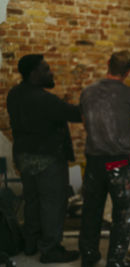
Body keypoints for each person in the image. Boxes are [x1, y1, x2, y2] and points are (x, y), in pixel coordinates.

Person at [6, 54, 81, 263]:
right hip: (48, 160)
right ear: (34, 74)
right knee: (53, 204)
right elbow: (76, 114)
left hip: (24, 158)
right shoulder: (44, 99)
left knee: (33, 202)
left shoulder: (14, 94)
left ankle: (31, 245)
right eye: (46, 69)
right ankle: (50, 250)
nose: (50, 73)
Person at [79, 50, 130, 267]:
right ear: (128, 72)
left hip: (94, 163)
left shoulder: (87, 93)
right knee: (121, 216)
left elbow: (84, 119)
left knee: (91, 212)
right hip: (119, 163)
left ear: (108, 64)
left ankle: (89, 257)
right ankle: (115, 261)